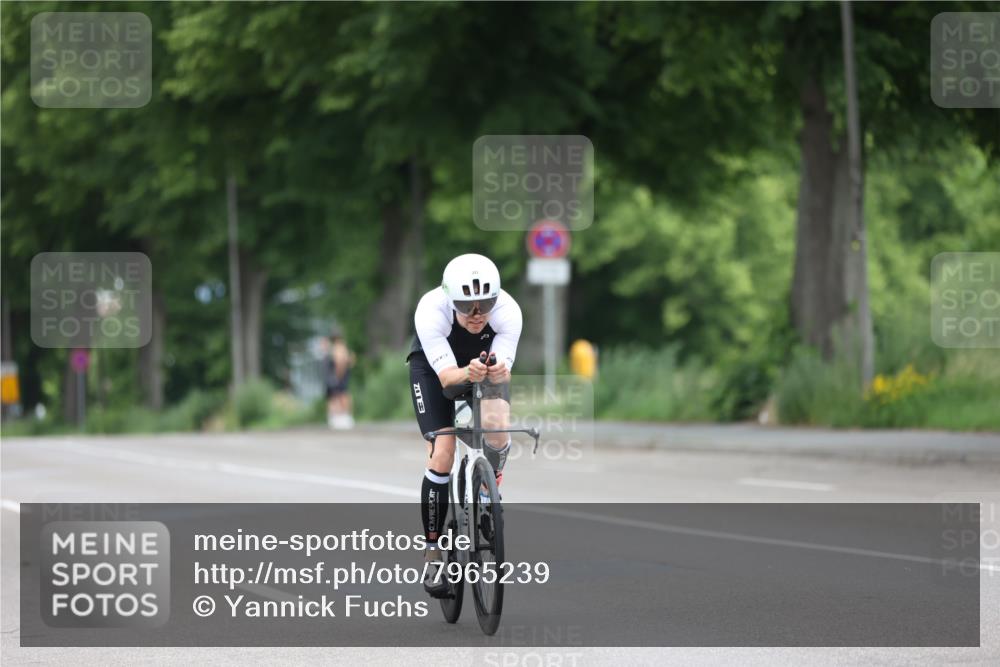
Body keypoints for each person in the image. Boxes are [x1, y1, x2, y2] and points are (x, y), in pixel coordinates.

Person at [407, 253, 522, 597]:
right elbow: (446, 379)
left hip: (481, 365)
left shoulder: (508, 311)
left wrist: (499, 371)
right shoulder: (431, 310)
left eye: (484, 304)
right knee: (443, 450)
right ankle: (432, 553)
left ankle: (490, 486)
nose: (476, 315)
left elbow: (503, 368)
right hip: (434, 369)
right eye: (466, 305)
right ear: (450, 299)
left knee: (497, 423)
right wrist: (467, 372)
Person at [324, 332, 355, 429]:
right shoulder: (343, 347)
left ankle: (337, 417)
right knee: (341, 394)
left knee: (337, 396)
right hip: (342, 374)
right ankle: (343, 417)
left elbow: (340, 362)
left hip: (338, 375)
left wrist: (338, 375)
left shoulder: (337, 348)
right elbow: (351, 360)